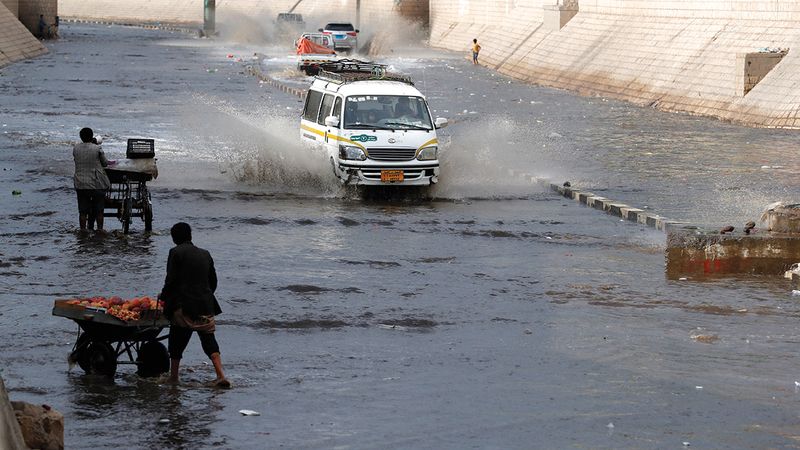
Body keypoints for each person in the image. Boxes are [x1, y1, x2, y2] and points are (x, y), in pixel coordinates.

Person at [159, 222, 230, 388]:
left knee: (177, 339)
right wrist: (204, 295)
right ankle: (221, 375)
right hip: (205, 306)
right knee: (209, 340)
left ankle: (174, 377)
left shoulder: (175, 252)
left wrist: (164, 297)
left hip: (184, 306)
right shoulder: (205, 254)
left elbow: (171, 281)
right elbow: (213, 282)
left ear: (174, 238)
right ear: (190, 235)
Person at [72, 127, 110, 231]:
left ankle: (83, 231)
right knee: (99, 211)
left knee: (83, 211)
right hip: (96, 184)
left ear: (81, 137)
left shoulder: (76, 148)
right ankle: (100, 230)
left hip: (81, 184)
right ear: (92, 136)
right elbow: (105, 163)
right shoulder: (97, 149)